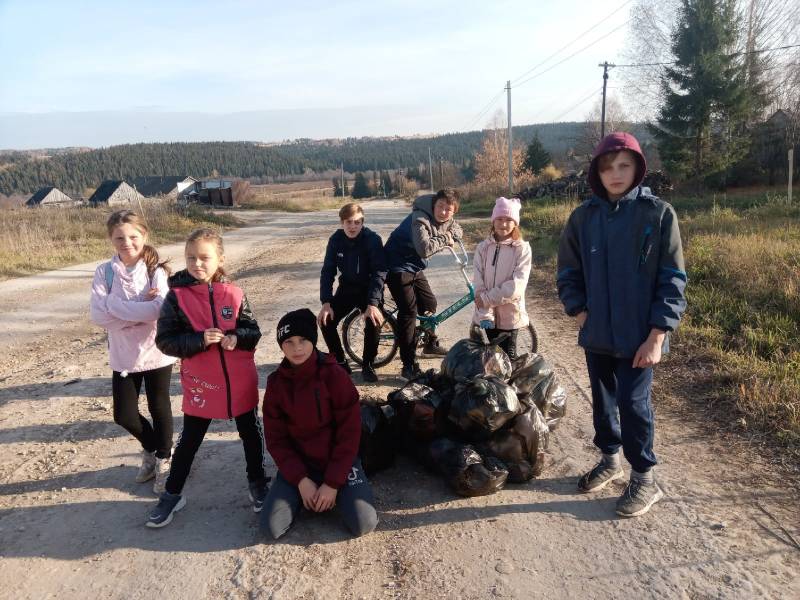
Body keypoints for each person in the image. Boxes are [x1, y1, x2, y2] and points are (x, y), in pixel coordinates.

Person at [557, 132, 687, 518]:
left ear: (638, 168)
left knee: (633, 405)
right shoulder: (584, 217)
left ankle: (644, 477)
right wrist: (579, 311)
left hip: (640, 337)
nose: (615, 173)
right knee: (603, 402)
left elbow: (672, 279)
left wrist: (658, 334)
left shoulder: (658, 214)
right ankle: (610, 460)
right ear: (597, 172)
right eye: (607, 166)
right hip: (597, 333)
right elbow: (568, 270)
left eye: (624, 165)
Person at [146, 228, 269, 528]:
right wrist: (199, 340)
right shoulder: (176, 297)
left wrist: (236, 338)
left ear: (220, 259)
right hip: (202, 382)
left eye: (204, 258)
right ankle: (173, 494)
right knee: (189, 442)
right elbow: (166, 341)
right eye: (191, 258)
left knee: (251, 434)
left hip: (239, 381)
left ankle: (257, 482)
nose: (197, 264)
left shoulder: (235, 293)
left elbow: (253, 333)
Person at [261, 308, 378, 539]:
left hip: (338, 462)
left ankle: (333, 494)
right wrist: (301, 480)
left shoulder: (333, 375)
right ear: (281, 345)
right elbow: (276, 439)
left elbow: (350, 432)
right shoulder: (276, 384)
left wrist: (333, 483)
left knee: (363, 523)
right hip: (301, 464)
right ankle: (306, 495)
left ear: (313, 341)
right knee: (270, 528)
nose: (297, 348)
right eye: (289, 342)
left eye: (303, 340)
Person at [89, 209, 176, 494]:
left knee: (159, 407)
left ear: (144, 236)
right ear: (111, 239)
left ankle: (165, 459)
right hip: (124, 355)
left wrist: (117, 307)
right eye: (119, 238)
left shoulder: (156, 271)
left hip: (156, 350)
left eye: (133, 236)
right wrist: (141, 309)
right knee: (124, 415)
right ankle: (151, 448)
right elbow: (99, 316)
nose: (127, 242)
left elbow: (160, 310)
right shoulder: (104, 273)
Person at [384, 188, 463, 380]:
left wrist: (453, 234)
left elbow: (458, 229)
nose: (443, 212)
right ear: (434, 205)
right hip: (396, 265)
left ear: (454, 211)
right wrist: (446, 238)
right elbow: (424, 249)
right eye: (441, 206)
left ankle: (429, 343)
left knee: (429, 304)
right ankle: (408, 365)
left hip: (414, 266)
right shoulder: (420, 218)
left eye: (448, 209)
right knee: (409, 312)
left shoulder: (447, 219)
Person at [318, 203, 387, 382]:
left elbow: (379, 272)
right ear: (342, 222)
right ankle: (340, 362)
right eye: (349, 222)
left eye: (357, 222)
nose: (353, 226)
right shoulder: (335, 240)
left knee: (373, 320)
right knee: (325, 321)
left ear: (362, 222)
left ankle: (368, 364)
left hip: (368, 287)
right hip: (347, 288)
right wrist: (326, 302)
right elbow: (328, 271)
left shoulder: (372, 239)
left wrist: (373, 303)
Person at [471, 197, 532, 360]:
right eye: (499, 219)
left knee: (508, 357)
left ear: (515, 223)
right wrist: (486, 312)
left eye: (508, 220)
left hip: (510, 315)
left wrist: (487, 299)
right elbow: (478, 280)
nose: (503, 224)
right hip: (487, 315)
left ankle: (511, 386)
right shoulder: (483, 248)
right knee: (493, 359)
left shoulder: (522, 249)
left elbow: (517, 286)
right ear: (493, 220)